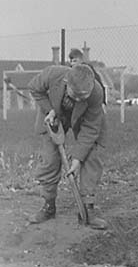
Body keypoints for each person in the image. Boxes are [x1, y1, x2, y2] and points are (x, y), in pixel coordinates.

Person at [28, 64, 107, 229]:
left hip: (83, 119)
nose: (79, 99)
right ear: (66, 82)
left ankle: (87, 207)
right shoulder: (52, 74)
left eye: (84, 96)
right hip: (53, 115)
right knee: (50, 159)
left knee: (91, 155)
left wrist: (77, 159)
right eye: (76, 95)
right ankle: (49, 205)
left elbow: (91, 129)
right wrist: (49, 110)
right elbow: (35, 88)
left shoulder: (96, 92)